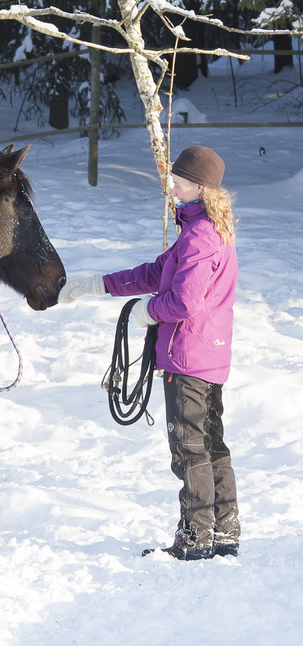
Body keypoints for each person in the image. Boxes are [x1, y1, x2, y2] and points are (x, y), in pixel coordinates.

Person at [60, 146, 240, 561]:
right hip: (207, 355)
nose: (171, 186)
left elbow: (183, 302)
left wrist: (147, 312)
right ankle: (223, 532)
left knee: (189, 447)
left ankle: (196, 537)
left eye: (178, 181)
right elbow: (157, 273)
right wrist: (100, 284)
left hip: (187, 355)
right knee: (212, 444)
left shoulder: (200, 237)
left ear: (199, 186)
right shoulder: (208, 230)